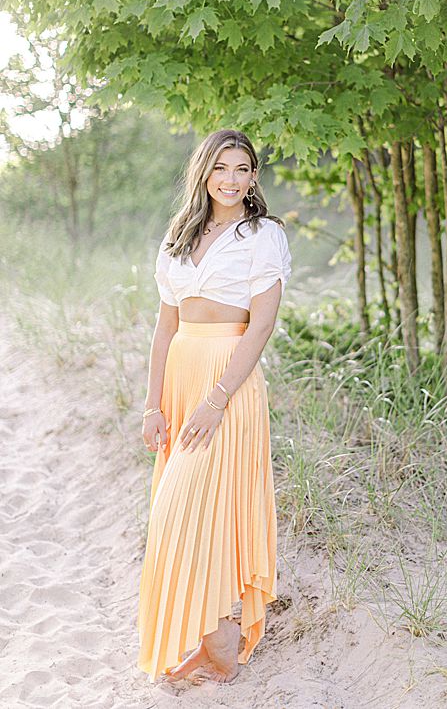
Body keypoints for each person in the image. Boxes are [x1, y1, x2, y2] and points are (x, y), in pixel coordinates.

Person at [137, 129, 292, 683]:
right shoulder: (179, 234)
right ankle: (216, 641)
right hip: (180, 377)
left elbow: (262, 325)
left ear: (254, 177)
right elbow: (164, 325)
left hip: (228, 383)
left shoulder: (263, 235)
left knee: (198, 507)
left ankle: (223, 640)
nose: (231, 178)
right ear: (204, 171)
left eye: (243, 168)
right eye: (221, 167)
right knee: (176, 513)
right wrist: (152, 405)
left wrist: (217, 399)